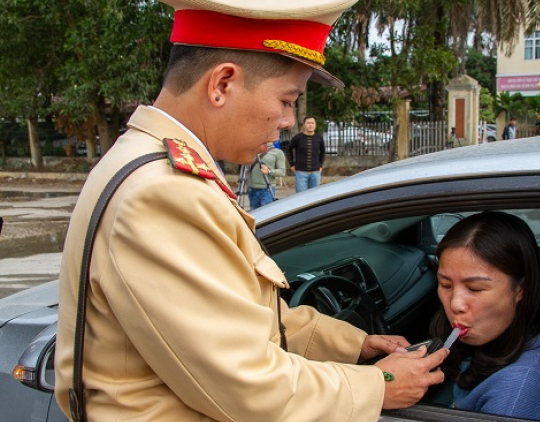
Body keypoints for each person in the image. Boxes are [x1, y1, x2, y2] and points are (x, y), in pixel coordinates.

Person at [54, 1, 448, 421]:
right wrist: (377, 386)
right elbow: (246, 385)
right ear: (222, 83)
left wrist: (354, 345)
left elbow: (242, 315)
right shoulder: (163, 195)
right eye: (286, 99)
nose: (288, 120)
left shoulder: (152, 166)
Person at [429, 212, 540, 420]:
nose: (455, 304)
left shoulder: (517, 390)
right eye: (445, 285)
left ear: (520, 290)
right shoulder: (512, 337)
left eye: (475, 289)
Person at [288, 116, 325, 192]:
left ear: (315, 125)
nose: (310, 125)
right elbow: (289, 149)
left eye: (312, 123)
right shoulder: (298, 138)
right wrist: (291, 164)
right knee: (301, 197)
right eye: (308, 123)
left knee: (315, 195)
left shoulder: (319, 138)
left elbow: (323, 151)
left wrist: (321, 165)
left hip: (315, 172)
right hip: (301, 172)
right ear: (304, 125)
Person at [248, 141, 286, 209]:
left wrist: (269, 171)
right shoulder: (251, 150)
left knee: (267, 214)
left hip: (267, 189)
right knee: (253, 215)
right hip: (252, 188)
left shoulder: (277, 152)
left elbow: (282, 172)